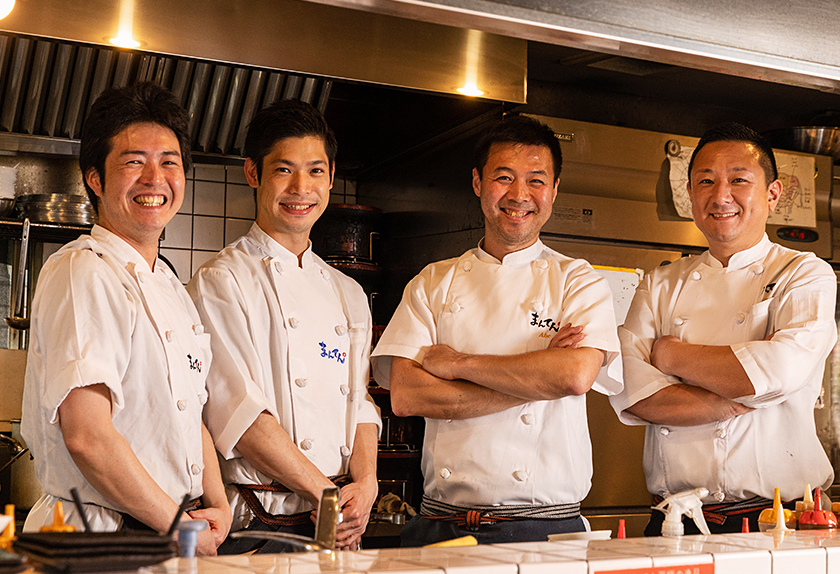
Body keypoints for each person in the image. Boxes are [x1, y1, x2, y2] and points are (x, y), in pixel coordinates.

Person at [370, 114, 623, 546]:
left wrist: (456, 364)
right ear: (477, 182)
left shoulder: (578, 280)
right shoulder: (434, 282)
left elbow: (574, 376)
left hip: (544, 530)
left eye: (536, 180)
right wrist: (539, 373)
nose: (519, 195)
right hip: (441, 527)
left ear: (555, 189)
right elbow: (410, 395)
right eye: (503, 177)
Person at [20, 82, 231, 555]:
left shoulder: (171, 287)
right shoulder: (84, 270)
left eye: (170, 162)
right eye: (134, 161)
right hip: (103, 539)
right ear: (95, 178)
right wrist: (181, 527)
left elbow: (187, 413)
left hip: (169, 530)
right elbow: (87, 435)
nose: (155, 178)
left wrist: (218, 503)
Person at [611, 122, 837, 535]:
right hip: (674, 525)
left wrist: (669, 355)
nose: (721, 196)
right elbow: (632, 392)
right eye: (706, 181)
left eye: (738, 180)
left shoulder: (803, 273)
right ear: (691, 193)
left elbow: (778, 371)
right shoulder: (660, 284)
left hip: (777, 524)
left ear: (772, 194)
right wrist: (741, 397)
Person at [187, 100, 380, 553]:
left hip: (334, 525)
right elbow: (240, 418)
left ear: (331, 177)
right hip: (257, 529)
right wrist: (328, 497)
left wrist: (366, 486)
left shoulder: (347, 292)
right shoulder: (221, 282)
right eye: (283, 170)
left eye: (315, 171)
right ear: (253, 173)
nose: (301, 188)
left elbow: (360, 400)